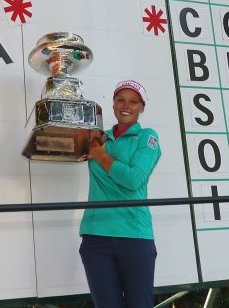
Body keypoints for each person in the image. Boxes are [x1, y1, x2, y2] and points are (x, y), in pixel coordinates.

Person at [79, 80, 161, 308]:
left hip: (134, 237)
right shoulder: (98, 137)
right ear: (113, 104)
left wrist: (103, 158)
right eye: (120, 100)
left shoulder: (147, 137)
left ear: (141, 107)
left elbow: (133, 180)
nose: (126, 106)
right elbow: (66, 151)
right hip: (95, 237)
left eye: (133, 102)